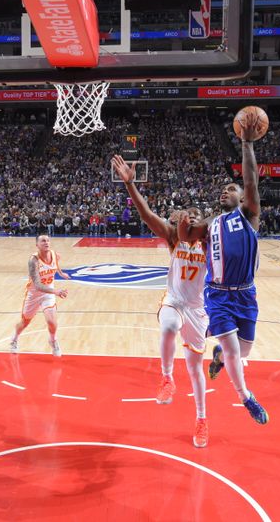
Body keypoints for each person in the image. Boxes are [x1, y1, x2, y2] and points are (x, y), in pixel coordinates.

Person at [111, 155, 210, 448]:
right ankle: (167, 378)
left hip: (198, 310)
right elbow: (146, 215)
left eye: (196, 213)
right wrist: (130, 184)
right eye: (186, 212)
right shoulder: (172, 238)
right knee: (167, 325)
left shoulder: (210, 242)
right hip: (175, 301)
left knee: (195, 370)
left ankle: (202, 420)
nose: (190, 215)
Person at [181, 112, 269, 425]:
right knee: (234, 351)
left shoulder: (249, 215)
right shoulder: (210, 223)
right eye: (222, 189)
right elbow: (185, 237)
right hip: (217, 295)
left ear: (243, 197)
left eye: (231, 188)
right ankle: (246, 397)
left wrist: (245, 143)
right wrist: (184, 224)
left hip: (246, 295)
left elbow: (250, 180)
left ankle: (217, 355)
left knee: (241, 351)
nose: (225, 190)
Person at [10, 235, 69, 356]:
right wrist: (56, 292)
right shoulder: (33, 260)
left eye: (47, 240)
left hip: (48, 294)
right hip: (34, 294)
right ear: (37, 245)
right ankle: (14, 339)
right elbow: (37, 285)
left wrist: (61, 273)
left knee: (52, 322)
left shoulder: (53, 254)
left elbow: (56, 264)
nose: (46, 242)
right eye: (43, 241)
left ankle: (53, 340)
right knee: (25, 322)